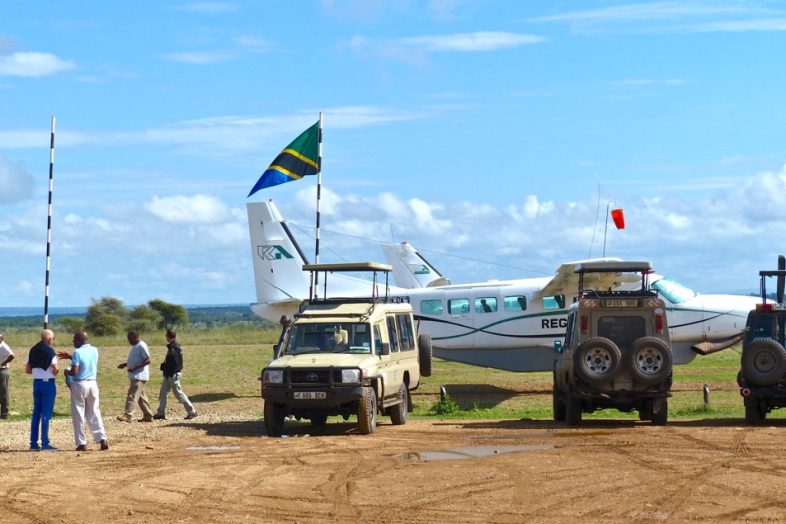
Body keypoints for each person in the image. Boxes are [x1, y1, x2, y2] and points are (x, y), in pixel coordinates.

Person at [58, 332, 108, 451]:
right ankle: (102, 438)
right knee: (94, 412)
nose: (73, 342)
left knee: (78, 414)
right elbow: (86, 361)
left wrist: (67, 372)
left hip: (80, 384)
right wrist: (70, 357)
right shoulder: (95, 350)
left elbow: (74, 371)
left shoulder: (77, 352)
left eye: (74, 340)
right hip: (92, 384)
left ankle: (81, 443)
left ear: (79, 340)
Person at [153, 329, 197, 420]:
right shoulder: (175, 346)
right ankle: (160, 413)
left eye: (166, 335)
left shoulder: (173, 347)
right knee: (163, 393)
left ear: (169, 336)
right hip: (169, 374)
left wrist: (165, 367)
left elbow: (174, 362)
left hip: (172, 374)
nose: (165, 337)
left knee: (179, 394)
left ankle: (192, 412)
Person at [26, 329, 59, 451]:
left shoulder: (33, 350)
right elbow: (55, 369)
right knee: (46, 414)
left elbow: (28, 369)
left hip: (36, 383)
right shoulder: (50, 351)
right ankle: (45, 443)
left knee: (36, 413)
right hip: (47, 383)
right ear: (49, 339)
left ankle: (33, 443)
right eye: (53, 339)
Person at [116, 330, 154, 423]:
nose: (129, 341)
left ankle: (128, 415)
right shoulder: (135, 346)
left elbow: (148, 360)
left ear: (135, 337)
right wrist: (125, 364)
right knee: (141, 397)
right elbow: (136, 359)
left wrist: (134, 368)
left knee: (132, 395)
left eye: (130, 339)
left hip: (139, 375)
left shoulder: (141, 345)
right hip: (136, 375)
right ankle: (148, 415)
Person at [0, 332, 15, 419]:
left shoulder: (4, 346)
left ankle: (4, 413)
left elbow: (12, 355)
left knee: (4, 392)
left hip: (3, 370)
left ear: (1, 339)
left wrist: (4, 363)